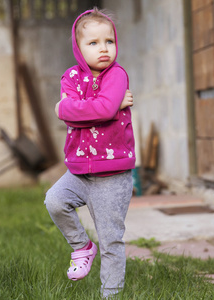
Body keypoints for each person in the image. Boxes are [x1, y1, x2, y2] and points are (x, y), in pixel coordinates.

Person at [44, 7, 135, 298]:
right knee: (55, 201)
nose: (103, 49)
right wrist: (74, 110)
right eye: (93, 43)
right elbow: (71, 114)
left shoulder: (116, 75)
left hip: (112, 175)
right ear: (78, 47)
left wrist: (78, 109)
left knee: (111, 240)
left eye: (109, 41)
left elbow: (100, 109)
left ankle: (111, 294)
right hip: (79, 172)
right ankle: (82, 247)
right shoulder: (70, 77)